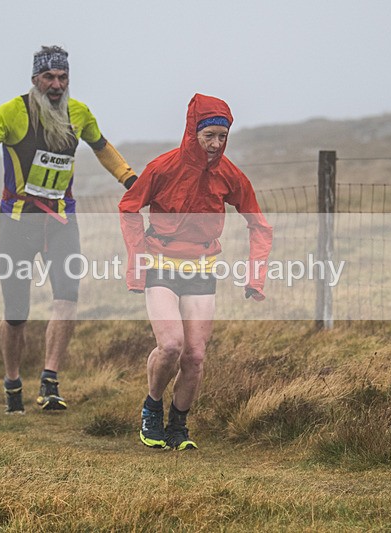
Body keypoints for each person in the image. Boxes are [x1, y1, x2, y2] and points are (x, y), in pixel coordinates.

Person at [0, 45, 137, 414]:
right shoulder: (11, 113)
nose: (56, 85)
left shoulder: (79, 113)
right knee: (16, 313)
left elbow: (103, 149)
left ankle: (50, 380)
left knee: (67, 296)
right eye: (49, 78)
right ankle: (12, 382)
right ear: (34, 79)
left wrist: (131, 180)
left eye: (62, 77)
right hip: (17, 223)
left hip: (61, 221)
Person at [119, 93, 273, 450]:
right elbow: (128, 207)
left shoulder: (229, 174)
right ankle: (152, 408)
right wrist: (137, 263)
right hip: (161, 263)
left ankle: (178, 426)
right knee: (171, 345)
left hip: (202, 267)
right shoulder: (162, 168)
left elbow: (259, 225)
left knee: (195, 356)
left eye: (223, 136)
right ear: (193, 133)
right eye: (209, 136)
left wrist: (255, 276)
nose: (216, 144)